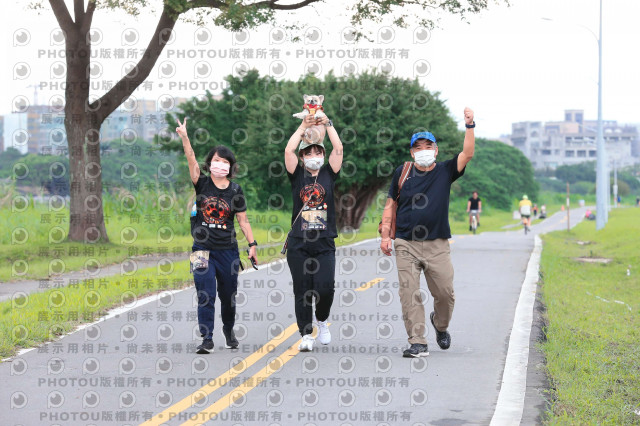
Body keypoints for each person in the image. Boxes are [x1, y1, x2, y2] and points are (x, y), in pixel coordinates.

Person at [380, 107, 475, 358]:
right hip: (406, 243)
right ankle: (418, 342)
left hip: (437, 244)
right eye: (418, 147)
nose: (423, 150)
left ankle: (440, 325)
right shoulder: (403, 172)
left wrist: (469, 125)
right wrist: (385, 235)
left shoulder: (445, 171)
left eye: (428, 146)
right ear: (412, 152)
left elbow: (467, 153)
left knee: (445, 293)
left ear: (436, 150)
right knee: (408, 293)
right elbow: (390, 204)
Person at [176, 117, 259, 354]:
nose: (220, 164)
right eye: (216, 160)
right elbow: (190, 158)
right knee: (205, 294)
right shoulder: (201, 183)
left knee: (228, 296)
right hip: (201, 250)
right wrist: (185, 137)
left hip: (228, 251)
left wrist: (252, 244)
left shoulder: (235, 190)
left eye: (224, 161)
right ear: (209, 163)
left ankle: (228, 329)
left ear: (230, 166)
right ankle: (207, 338)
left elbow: (243, 220)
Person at [284, 112, 343, 352]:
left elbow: (338, 148)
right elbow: (288, 151)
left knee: (325, 288)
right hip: (299, 243)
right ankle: (306, 334)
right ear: (302, 157)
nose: (313, 156)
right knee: (302, 290)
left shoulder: (329, 173)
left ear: (323, 155)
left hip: (324, 242)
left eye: (318, 152)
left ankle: (322, 320)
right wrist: (303, 126)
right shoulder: (297, 176)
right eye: (308, 153)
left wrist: (328, 123)